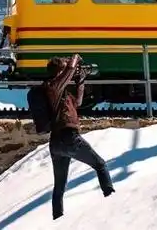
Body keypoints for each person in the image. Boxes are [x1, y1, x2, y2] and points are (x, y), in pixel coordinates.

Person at [43, 54, 114, 220]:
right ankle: (112, 200)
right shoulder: (52, 86)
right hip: (68, 137)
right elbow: (67, 72)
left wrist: (80, 81)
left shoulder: (60, 92)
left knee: (59, 186)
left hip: (56, 144)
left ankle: (57, 218)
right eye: (64, 69)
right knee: (100, 165)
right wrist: (73, 60)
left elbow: (79, 102)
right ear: (58, 72)